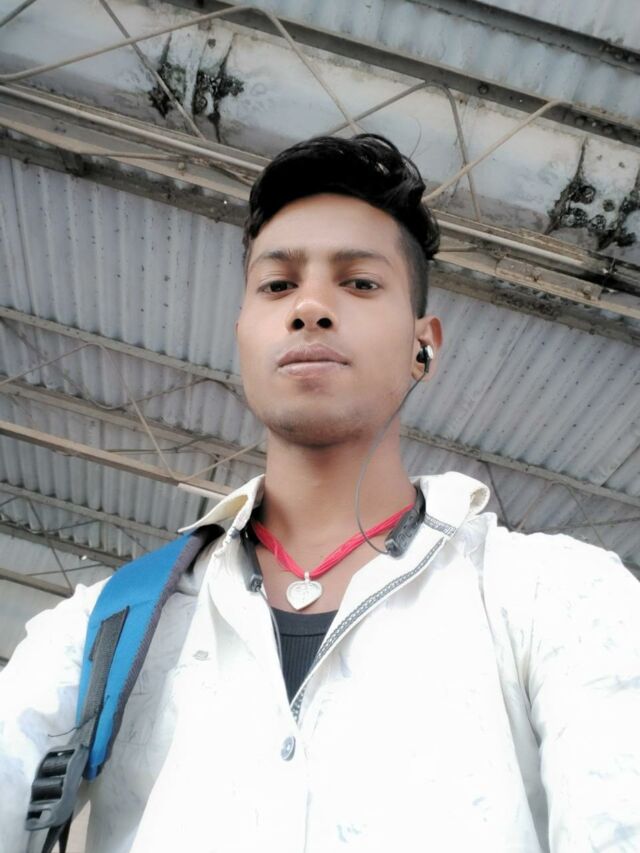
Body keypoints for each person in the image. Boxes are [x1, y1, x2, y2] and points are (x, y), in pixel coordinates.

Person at [1, 133, 639, 853]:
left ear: (423, 345)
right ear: (242, 335)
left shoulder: (555, 599)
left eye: (359, 283)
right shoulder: (104, 630)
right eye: (277, 286)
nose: (310, 307)